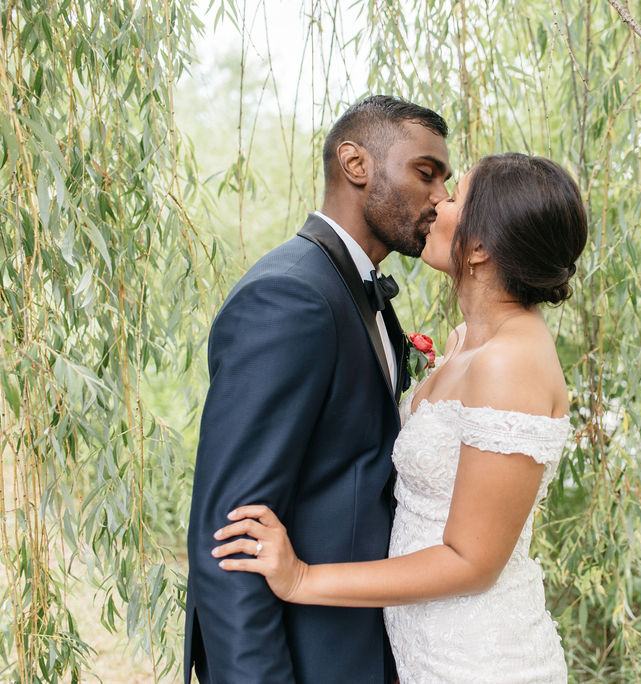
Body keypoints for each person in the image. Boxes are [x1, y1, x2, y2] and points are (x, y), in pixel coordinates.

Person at [211, 153, 588, 682]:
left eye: (454, 197)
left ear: (479, 247)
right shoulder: (469, 345)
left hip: (477, 658)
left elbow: (471, 561)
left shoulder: (510, 364)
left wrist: (302, 580)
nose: (438, 201)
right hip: (423, 649)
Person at [184, 95, 451, 683]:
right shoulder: (290, 297)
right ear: (355, 163)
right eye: (425, 173)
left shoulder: (358, 291)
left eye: (445, 181)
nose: (441, 198)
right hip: (308, 660)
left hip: (372, 648)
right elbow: (230, 538)